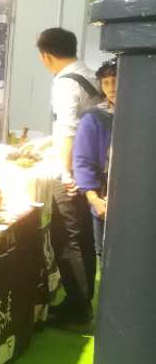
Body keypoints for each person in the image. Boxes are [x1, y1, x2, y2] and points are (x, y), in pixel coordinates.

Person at [36, 27, 102, 328]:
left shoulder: (64, 83)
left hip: (73, 170)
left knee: (68, 236)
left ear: (46, 56)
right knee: (83, 236)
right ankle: (83, 299)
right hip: (92, 167)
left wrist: (64, 171)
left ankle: (78, 308)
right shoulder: (89, 75)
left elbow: (69, 129)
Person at [73, 58, 117, 257]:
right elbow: (83, 161)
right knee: (107, 258)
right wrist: (94, 200)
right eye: (106, 82)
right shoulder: (95, 117)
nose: (111, 88)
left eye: (115, 81)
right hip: (104, 197)